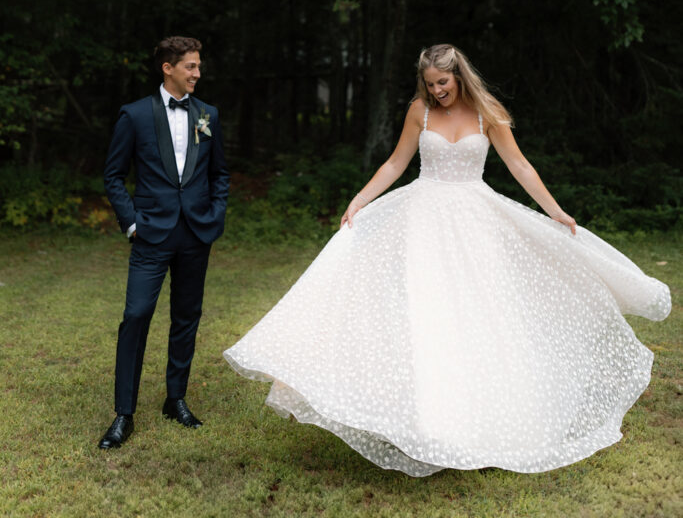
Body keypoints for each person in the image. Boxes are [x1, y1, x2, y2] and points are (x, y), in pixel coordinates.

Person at [223, 43, 671, 475]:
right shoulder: (419, 112)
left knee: (480, 316)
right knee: (426, 316)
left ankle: (490, 421)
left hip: (475, 222)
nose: (436, 91)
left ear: (459, 75)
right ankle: (429, 421)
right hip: (422, 221)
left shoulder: (486, 112)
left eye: (442, 82)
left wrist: (553, 210)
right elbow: (396, 163)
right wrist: (359, 201)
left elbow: (519, 165)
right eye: (429, 84)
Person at [98, 36, 230, 449]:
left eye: (198, 65)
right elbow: (113, 176)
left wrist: (216, 212)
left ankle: (176, 399)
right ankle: (124, 413)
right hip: (151, 233)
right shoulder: (134, 115)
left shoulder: (207, 114)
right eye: (190, 66)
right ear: (167, 68)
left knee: (186, 317)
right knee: (136, 316)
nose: (197, 72)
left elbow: (220, 173)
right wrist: (132, 223)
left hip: (196, 233)